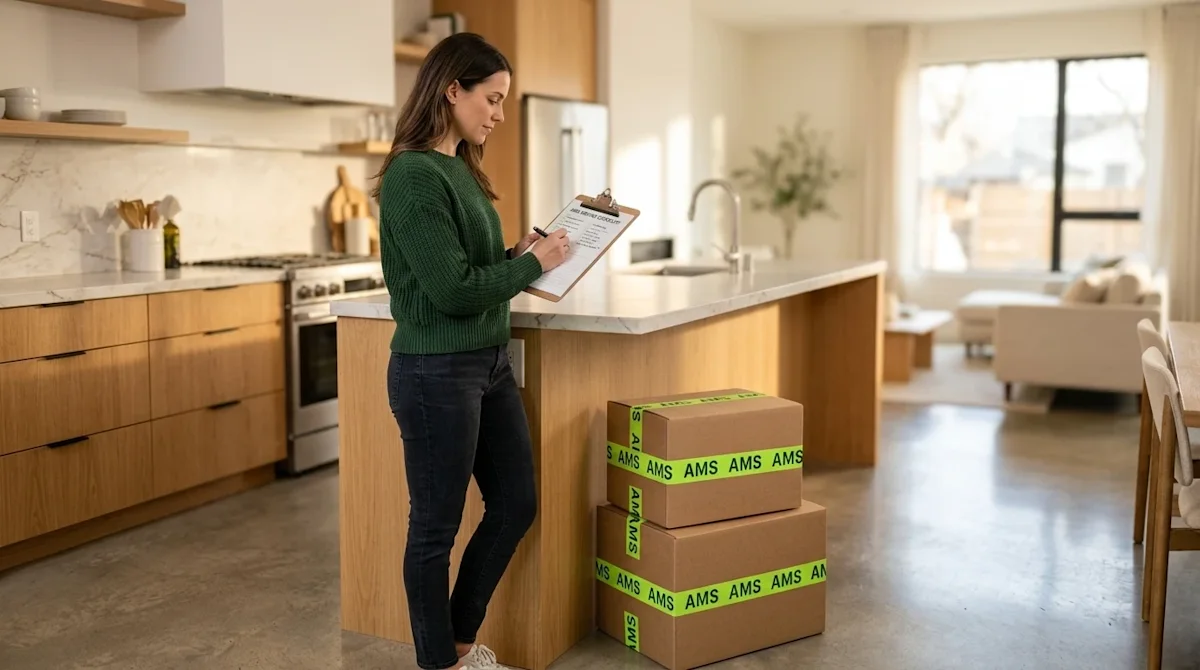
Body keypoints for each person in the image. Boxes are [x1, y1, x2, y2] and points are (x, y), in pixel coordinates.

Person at [370, 32, 570, 670]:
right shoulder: (411, 175)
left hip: (486, 362)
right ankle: (442, 663)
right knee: (435, 528)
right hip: (435, 372)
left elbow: (467, 268)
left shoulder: (459, 169)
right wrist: (532, 264)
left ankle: (456, 646)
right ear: (452, 90)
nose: (500, 114)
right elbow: (452, 291)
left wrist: (517, 256)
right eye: (493, 98)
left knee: (515, 504)